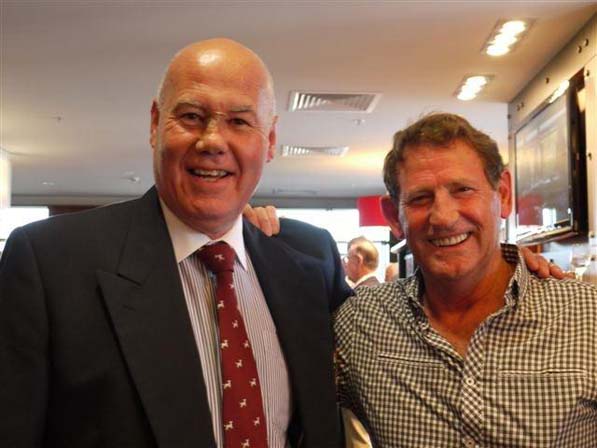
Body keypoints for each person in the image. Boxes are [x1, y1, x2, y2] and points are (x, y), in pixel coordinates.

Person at [0, 38, 352, 448]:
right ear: (155, 124)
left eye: (239, 122)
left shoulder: (308, 264)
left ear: (270, 139)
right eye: (191, 116)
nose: (212, 141)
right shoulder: (50, 263)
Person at [333, 112, 597, 446]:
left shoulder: (588, 316)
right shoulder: (359, 322)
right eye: (420, 198)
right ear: (393, 216)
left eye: (463, 190)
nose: (443, 217)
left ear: (503, 195)